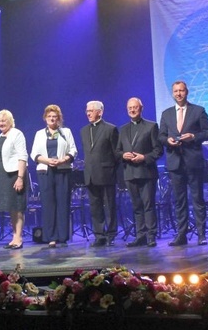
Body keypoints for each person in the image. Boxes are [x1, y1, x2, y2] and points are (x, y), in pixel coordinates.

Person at [159, 81, 208, 246]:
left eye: (181, 90)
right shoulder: (166, 113)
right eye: (175, 91)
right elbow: (161, 136)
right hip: (175, 162)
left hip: (193, 161)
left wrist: (193, 137)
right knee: (179, 200)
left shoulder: (198, 111)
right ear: (172, 93)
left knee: (197, 199)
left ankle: (201, 234)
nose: (178, 94)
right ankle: (181, 234)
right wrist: (168, 141)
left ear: (187, 92)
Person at [116, 97, 163, 248]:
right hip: (129, 172)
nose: (132, 110)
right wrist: (123, 155)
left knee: (148, 205)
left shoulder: (151, 126)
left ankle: (151, 236)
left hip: (146, 172)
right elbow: (117, 151)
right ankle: (140, 235)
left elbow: (158, 150)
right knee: (136, 206)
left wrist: (144, 157)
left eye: (135, 107)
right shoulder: (123, 129)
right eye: (129, 108)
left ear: (141, 108)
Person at [31, 104, 77, 248]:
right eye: (49, 116)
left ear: (59, 119)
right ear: (45, 118)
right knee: (48, 204)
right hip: (45, 171)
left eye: (55, 117)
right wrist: (47, 160)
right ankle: (51, 237)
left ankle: (62, 237)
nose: (52, 119)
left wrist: (63, 159)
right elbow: (34, 154)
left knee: (63, 203)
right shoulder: (39, 133)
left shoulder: (66, 132)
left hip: (63, 170)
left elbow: (73, 150)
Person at [80, 101, 120, 247]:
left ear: (100, 112)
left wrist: (111, 169)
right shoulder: (84, 130)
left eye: (91, 110)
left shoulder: (111, 129)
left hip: (106, 173)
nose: (88, 113)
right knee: (95, 206)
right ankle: (99, 235)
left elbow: (117, 154)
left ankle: (110, 234)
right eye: (87, 111)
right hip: (90, 174)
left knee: (109, 206)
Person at [0, 109, 28, 249]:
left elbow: (22, 156)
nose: (1, 123)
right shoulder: (0, 136)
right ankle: (14, 236)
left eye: (3, 121)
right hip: (3, 175)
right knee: (10, 208)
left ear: (10, 121)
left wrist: (20, 177)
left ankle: (18, 237)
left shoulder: (16, 134)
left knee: (18, 207)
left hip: (14, 175)